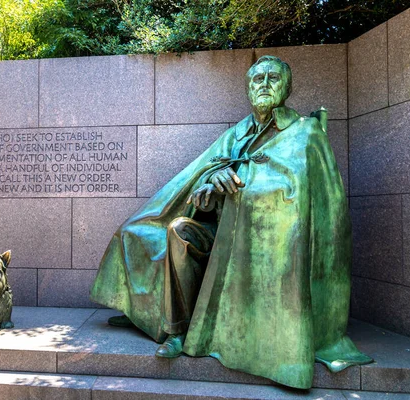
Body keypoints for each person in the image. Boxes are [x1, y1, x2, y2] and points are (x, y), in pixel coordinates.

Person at [90, 55, 372, 389]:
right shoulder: (238, 132)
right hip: (221, 230)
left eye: (272, 78)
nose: (264, 85)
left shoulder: (306, 132)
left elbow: (310, 200)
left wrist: (244, 187)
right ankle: (175, 330)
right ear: (249, 88)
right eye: (257, 79)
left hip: (269, 245)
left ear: (287, 86)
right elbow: (203, 174)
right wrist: (211, 186)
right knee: (175, 231)